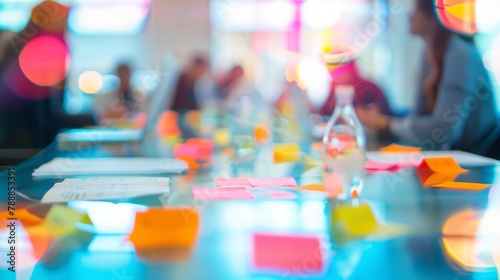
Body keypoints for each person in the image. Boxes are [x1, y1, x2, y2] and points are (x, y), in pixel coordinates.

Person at [356, 0, 499, 155]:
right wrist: (383, 118)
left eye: (415, 10)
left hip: (480, 160)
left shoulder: (460, 55)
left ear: (433, 16)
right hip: (451, 158)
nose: (409, 16)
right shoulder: (430, 54)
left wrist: (385, 123)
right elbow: (418, 117)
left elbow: (443, 130)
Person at [0, 1, 95, 149]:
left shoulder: (22, 49)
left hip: (24, 147)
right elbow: (46, 118)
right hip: (23, 151)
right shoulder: (34, 55)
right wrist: (93, 117)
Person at [320, 60, 393, 116]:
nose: (333, 73)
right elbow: (323, 113)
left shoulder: (370, 88)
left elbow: (385, 121)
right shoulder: (335, 88)